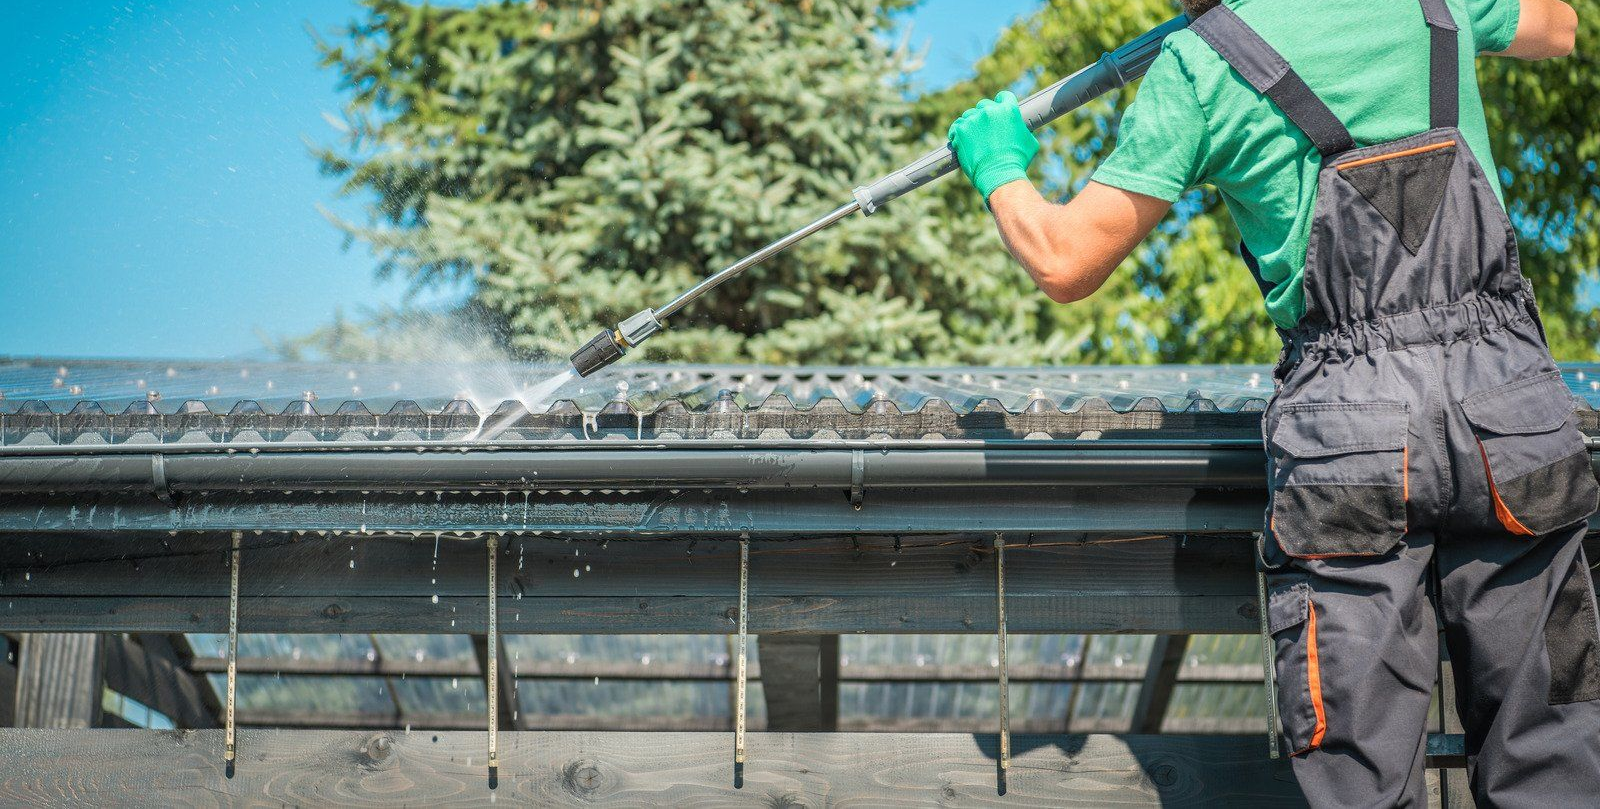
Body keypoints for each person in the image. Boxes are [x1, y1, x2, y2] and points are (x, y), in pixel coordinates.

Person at [947, 0, 1596, 805]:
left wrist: (1000, 168)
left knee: (1357, 773)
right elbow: (1560, 27)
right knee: (1556, 754)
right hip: (1509, 410)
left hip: (1349, 439)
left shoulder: (1201, 66)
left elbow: (1065, 259)